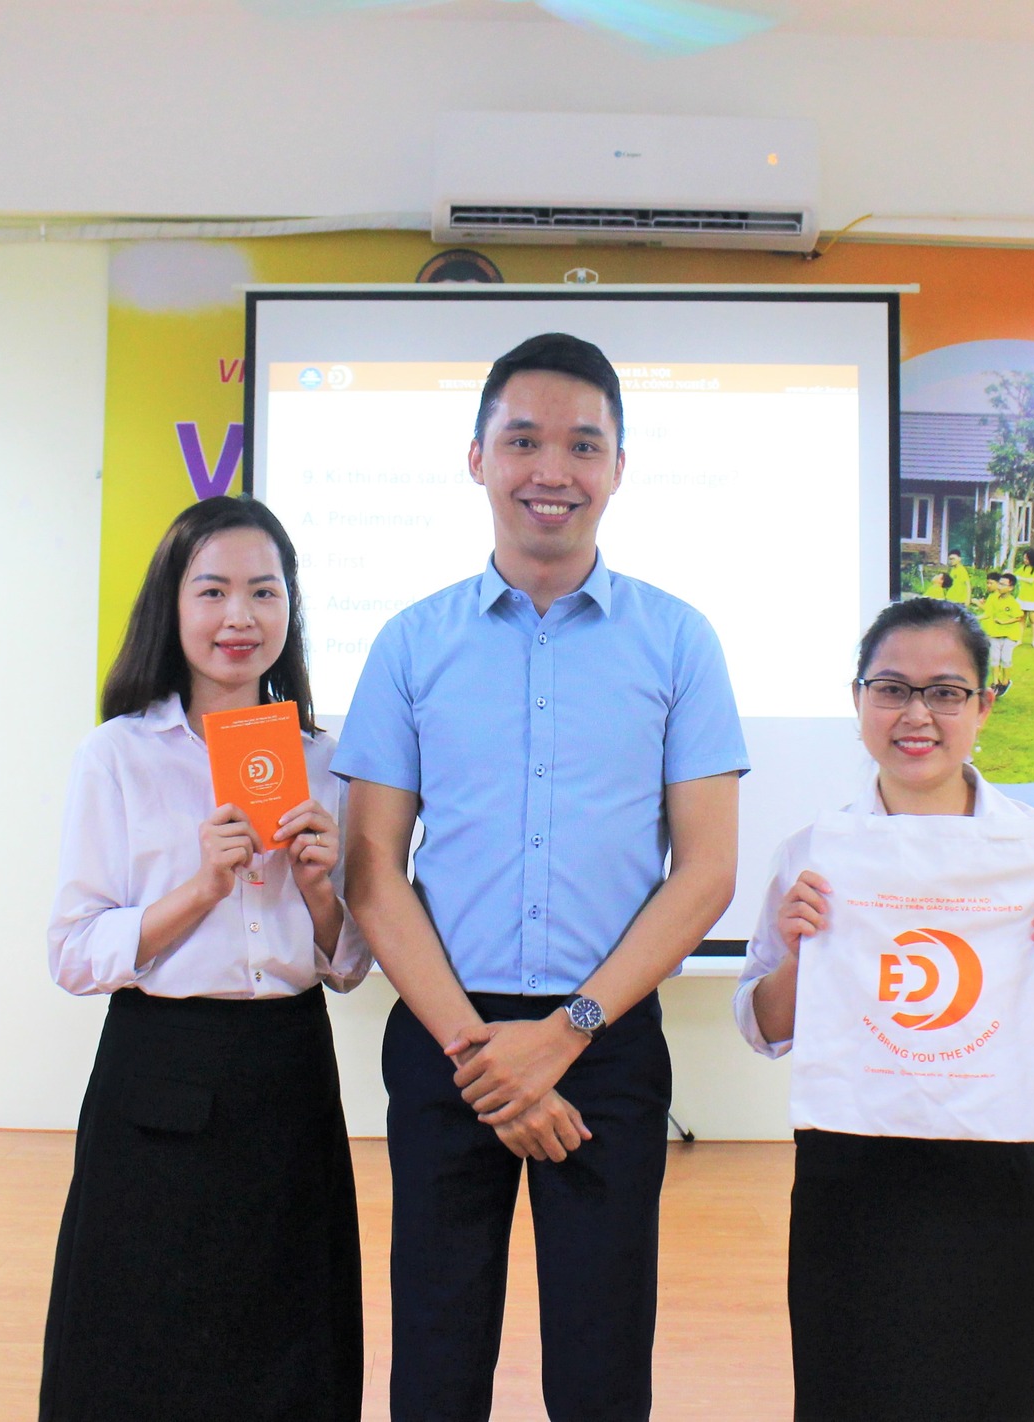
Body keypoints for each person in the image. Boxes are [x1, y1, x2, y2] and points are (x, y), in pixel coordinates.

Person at [338, 332, 747, 1422]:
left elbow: (707, 871)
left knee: (601, 1365)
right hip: (446, 1040)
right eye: (522, 441)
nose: (551, 470)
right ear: (477, 457)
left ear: (619, 466)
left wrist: (563, 1035)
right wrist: (481, 1056)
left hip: (605, 1045)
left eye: (582, 445)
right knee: (434, 1357)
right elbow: (371, 871)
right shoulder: (410, 644)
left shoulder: (679, 642)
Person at [735, 598, 1034, 1422]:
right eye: (892, 689)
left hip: (1001, 1159)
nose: (917, 715)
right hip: (856, 1160)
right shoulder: (813, 853)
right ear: (858, 701)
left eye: (946, 692)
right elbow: (763, 1024)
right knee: (848, 1378)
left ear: (985, 705)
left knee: (990, 1379)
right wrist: (801, 952)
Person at [40, 497, 369, 1422]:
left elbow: (348, 965)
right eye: (213, 590)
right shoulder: (117, 755)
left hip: (289, 1069)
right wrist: (199, 889)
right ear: (172, 605)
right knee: (142, 1335)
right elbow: (73, 952)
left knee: (291, 1333)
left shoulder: (328, 762)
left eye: (264, 592)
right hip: (160, 1066)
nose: (240, 617)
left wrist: (319, 890)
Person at [978, 570, 1023, 698]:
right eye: (999, 583)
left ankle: (1005, 682)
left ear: (1010, 588)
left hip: (1009, 635)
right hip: (995, 634)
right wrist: (974, 618)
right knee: (994, 658)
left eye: (1003, 584)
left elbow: (1019, 617)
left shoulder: (1013, 602)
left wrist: (1004, 622)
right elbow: (987, 613)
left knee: (1005, 659)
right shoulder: (993, 598)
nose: (999, 586)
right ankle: (995, 683)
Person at [1015, 553, 1034, 648]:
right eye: (1024, 558)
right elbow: (1015, 575)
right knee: (1021, 619)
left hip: (1033, 598)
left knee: (1033, 620)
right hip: (1022, 597)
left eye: (1026, 558)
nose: (1024, 560)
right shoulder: (1024, 567)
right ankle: (1019, 640)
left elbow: (1031, 580)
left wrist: (1020, 578)